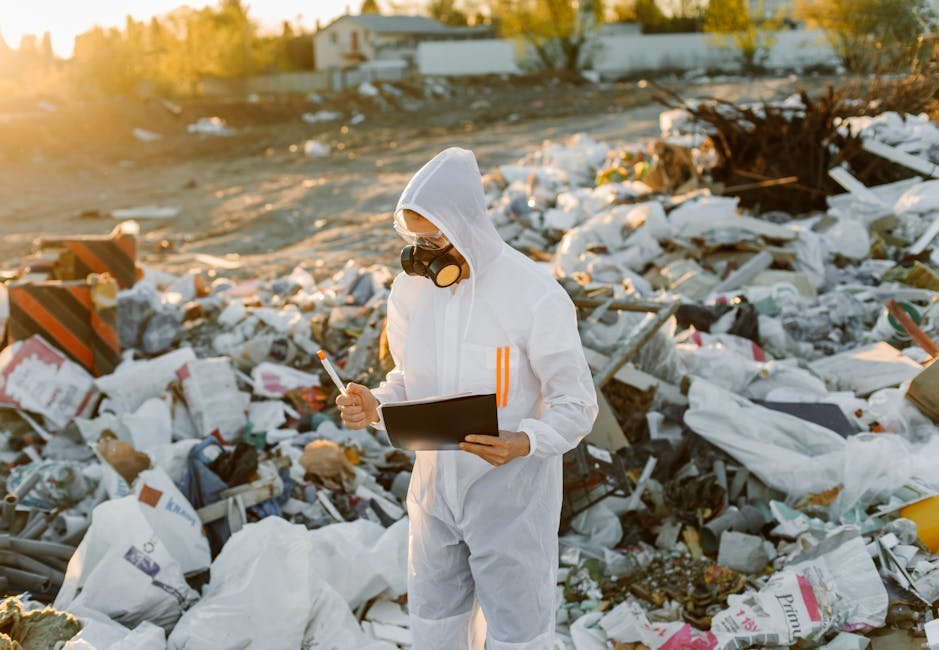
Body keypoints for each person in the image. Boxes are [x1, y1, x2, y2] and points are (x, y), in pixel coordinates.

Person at [336, 147, 598, 649]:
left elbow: (577, 403)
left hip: (511, 499)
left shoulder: (534, 296)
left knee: (517, 635)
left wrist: (525, 440)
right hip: (434, 495)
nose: (426, 253)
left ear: (467, 224)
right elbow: (409, 380)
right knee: (435, 627)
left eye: (435, 238)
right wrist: (375, 405)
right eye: (416, 239)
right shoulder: (411, 292)